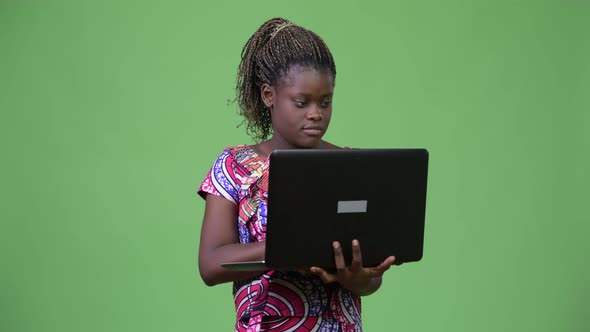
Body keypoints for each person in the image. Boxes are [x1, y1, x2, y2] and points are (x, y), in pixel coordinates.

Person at [197, 17, 396, 332]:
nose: (316, 113)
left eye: (326, 102)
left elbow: (371, 279)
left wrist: (359, 278)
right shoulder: (234, 166)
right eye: (301, 102)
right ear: (268, 95)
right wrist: (289, 250)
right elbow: (210, 265)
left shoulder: (350, 165)